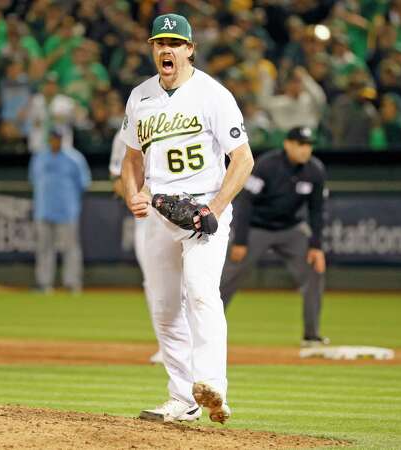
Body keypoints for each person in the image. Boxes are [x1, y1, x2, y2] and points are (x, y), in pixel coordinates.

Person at [121, 13, 254, 424]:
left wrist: (213, 210)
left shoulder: (213, 95)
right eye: (160, 42)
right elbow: (130, 159)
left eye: (175, 43)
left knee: (200, 292)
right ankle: (183, 397)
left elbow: (243, 160)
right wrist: (132, 193)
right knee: (163, 308)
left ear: (190, 49)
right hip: (159, 212)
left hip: (203, 211)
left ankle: (213, 385)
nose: (167, 49)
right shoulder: (140, 97)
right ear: (152, 49)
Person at [220, 126, 327, 347]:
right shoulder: (267, 165)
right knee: (228, 277)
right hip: (257, 228)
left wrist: (316, 246)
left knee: (314, 272)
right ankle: (204, 332)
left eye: (308, 145)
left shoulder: (315, 170)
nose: (305, 149)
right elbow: (246, 202)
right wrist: (240, 240)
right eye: (301, 144)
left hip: (292, 229)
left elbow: (316, 210)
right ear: (288, 144)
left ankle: (311, 335)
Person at [109, 129, 161, 365]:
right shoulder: (126, 133)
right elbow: (118, 179)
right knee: (153, 282)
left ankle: (195, 347)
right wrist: (135, 198)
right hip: (148, 217)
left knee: (191, 283)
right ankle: (167, 346)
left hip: (184, 210)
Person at [29, 127, 91, 294]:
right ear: (49, 138)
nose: (56, 140)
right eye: (53, 137)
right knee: (44, 248)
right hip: (43, 209)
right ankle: (44, 284)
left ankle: (72, 283)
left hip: (67, 210)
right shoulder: (39, 157)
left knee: (70, 248)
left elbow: (84, 183)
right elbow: (33, 180)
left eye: (58, 137)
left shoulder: (75, 158)